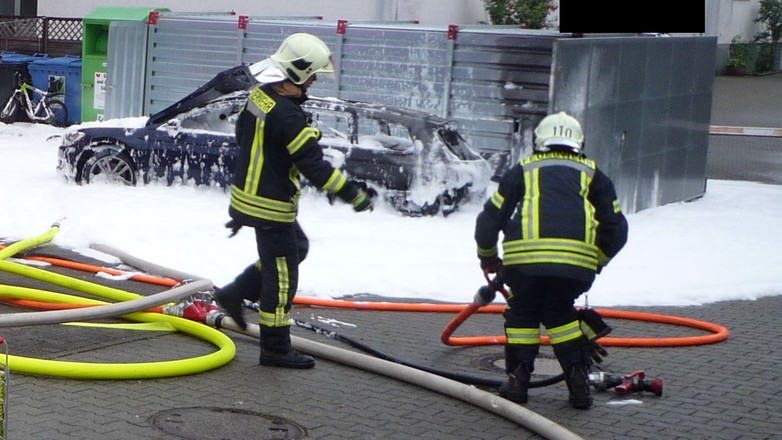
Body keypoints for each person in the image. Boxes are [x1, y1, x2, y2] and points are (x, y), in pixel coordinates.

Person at [215, 33, 376, 369]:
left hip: (250, 198)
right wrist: (353, 194)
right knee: (282, 275)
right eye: (312, 74)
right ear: (297, 73)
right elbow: (314, 167)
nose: (314, 81)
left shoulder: (260, 97)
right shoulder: (288, 116)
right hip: (270, 205)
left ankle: (234, 292)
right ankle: (275, 348)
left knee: (295, 249)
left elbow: (243, 136)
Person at [474, 111, 628, 408]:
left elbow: (490, 219)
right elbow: (617, 228)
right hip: (574, 269)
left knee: (522, 314)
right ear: (578, 142)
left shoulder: (522, 170)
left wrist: (488, 258)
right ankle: (579, 386)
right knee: (560, 314)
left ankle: (518, 383)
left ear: (539, 141)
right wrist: (597, 260)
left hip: (524, 266)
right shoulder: (594, 174)